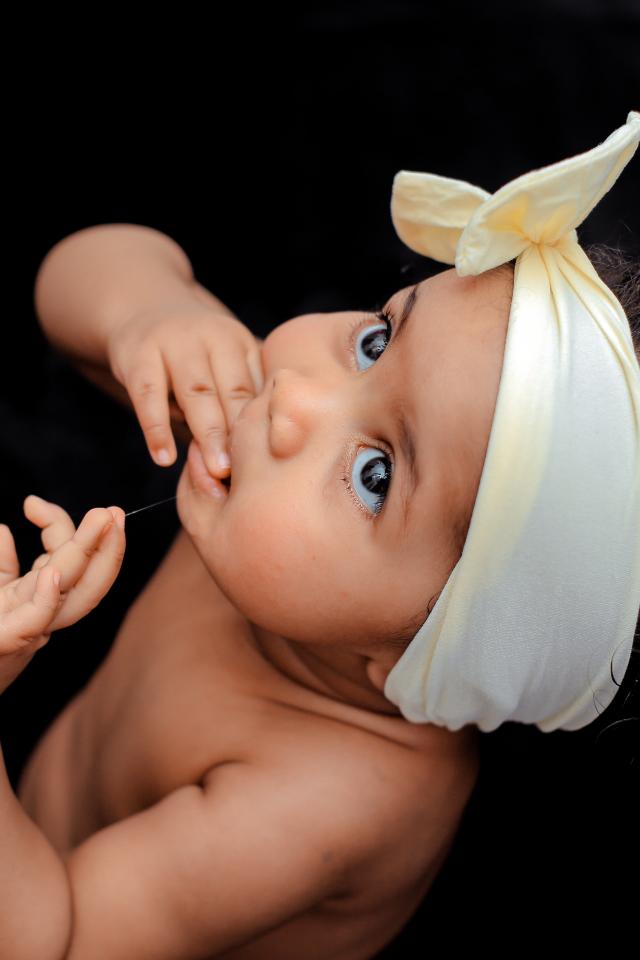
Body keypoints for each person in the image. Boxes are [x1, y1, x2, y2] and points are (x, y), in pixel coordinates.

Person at [0, 112, 638, 960]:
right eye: (376, 341)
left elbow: (55, 941)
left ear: (420, 654)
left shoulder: (334, 794)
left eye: (376, 475)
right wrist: (149, 313)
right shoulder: (268, 495)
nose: (295, 397)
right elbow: (74, 276)